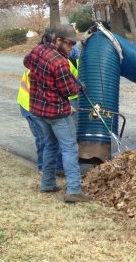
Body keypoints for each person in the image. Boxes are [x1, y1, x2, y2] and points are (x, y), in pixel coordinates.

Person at [23, 25, 91, 203]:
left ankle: (47, 184)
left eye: (73, 45)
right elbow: (68, 90)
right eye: (69, 45)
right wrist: (78, 85)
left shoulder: (38, 50)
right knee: (70, 148)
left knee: (50, 145)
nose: (71, 49)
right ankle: (74, 190)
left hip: (38, 110)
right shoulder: (60, 62)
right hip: (57, 113)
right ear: (58, 40)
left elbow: (26, 62)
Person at [17, 30, 64, 174]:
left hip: (36, 104)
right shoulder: (41, 64)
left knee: (53, 138)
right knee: (43, 138)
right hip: (29, 106)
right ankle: (44, 168)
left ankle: (58, 168)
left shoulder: (45, 59)